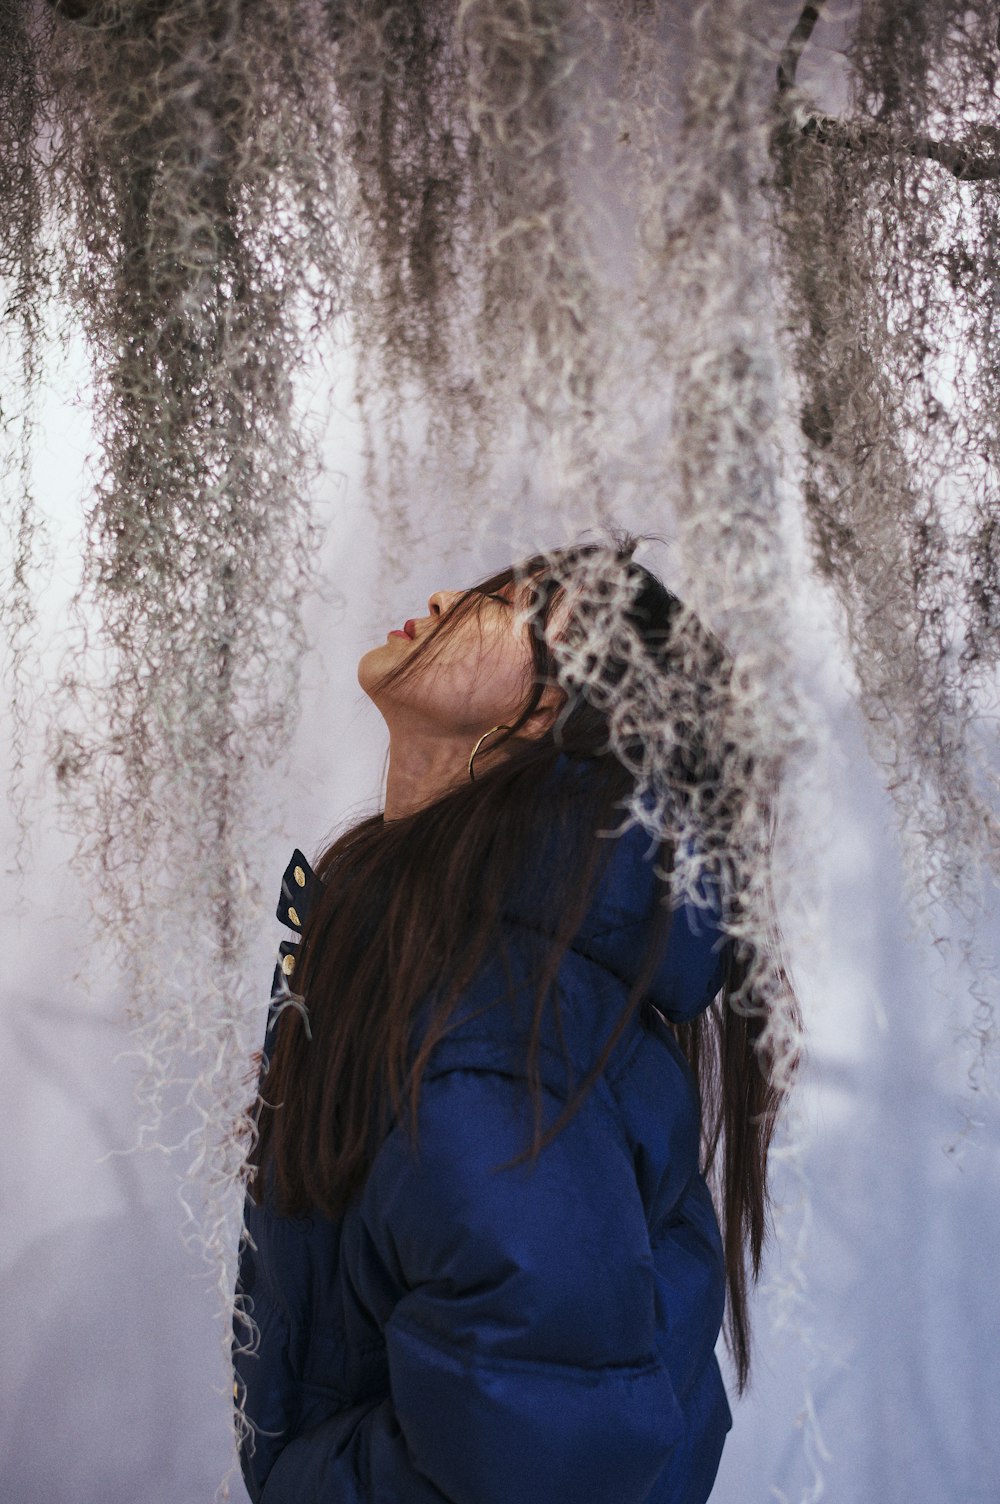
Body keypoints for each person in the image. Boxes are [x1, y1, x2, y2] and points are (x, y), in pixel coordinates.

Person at [231, 531, 799, 1504]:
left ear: (552, 715)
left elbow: (539, 1471)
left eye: (511, 604)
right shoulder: (467, 973)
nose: (449, 592)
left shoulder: (496, 1036)